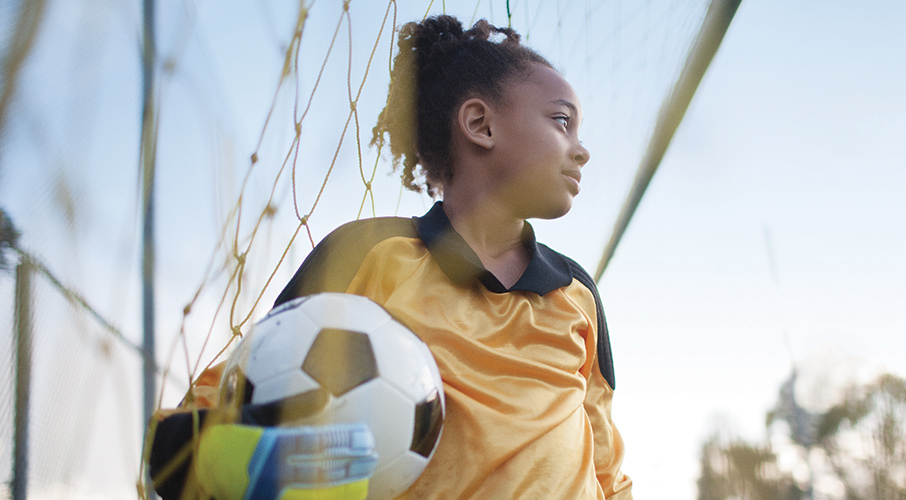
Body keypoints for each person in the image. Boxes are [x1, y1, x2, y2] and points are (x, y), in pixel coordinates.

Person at [149, 15, 632, 500]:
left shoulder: (577, 294)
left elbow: (608, 471)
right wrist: (240, 459)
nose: (582, 150)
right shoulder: (369, 255)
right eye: (562, 122)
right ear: (480, 125)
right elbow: (193, 422)